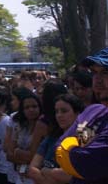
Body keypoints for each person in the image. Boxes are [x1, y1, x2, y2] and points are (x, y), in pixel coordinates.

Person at [55, 47, 108, 184]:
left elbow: (87, 163)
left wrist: (74, 147)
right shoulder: (95, 112)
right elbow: (59, 150)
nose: (97, 79)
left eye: (105, 72)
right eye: (94, 73)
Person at [27, 94, 83, 184]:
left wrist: (46, 171)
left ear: (77, 113)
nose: (59, 115)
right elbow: (32, 169)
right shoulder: (51, 138)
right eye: (57, 111)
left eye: (64, 111)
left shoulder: (83, 141)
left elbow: (71, 176)